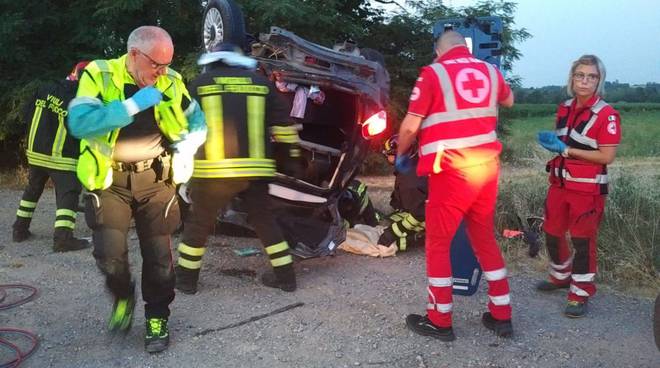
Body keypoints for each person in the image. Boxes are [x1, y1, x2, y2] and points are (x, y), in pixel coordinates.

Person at [67, 26, 207, 353]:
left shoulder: (172, 81)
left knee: (159, 257)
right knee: (109, 256)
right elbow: (80, 123)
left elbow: (197, 122)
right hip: (109, 182)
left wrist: (190, 143)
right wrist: (131, 106)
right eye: (156, 64)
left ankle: (157, 315)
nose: (162, 72)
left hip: (156, 180)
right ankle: (122, 296)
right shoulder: (100, 75)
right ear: (134, 54)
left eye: (166, 65)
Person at [396, 31, 514, 341]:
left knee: (438, 243)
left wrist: (400, 152)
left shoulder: (433, 73)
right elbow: (509, 100)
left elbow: (410, 125)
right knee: (484, 238)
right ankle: (502, 315)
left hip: (451, 172)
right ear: (466, 47)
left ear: (438, 50)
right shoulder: (490, 70)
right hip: (486, 171)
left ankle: (440, 319)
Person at [174, 43, 299, 295]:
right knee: (265, 221)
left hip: (212, 171)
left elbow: (179, 124)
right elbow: (284, 127)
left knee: (199, 223)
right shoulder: (262, 84)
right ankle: (286, 278)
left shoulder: (198, 84)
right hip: (255, 170)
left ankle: (186, 281)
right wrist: (291, 160)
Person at [535, 55, 621, 318]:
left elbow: (607, 157)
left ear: (599, 81)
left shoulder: (606, 114)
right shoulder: (565, 107)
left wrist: (568, 150)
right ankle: (561, 276)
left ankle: (580, 292)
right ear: (572, 78)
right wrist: (553, 144)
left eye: (591, 76)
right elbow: (563, 142)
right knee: (551, 232)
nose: (585, 81)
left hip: (587, 190)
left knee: (583, 242)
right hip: (559, 184)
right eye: (580, 75)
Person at [12, 62, 91, 252]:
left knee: (32, 191)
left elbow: (26, 115)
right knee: (68, 196)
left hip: (36, 153)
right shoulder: (79, 97)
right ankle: (63, 239)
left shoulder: (44, 88)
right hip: (62, 156)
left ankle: (19, 230)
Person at [377, 134, 427, 251]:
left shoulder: (410, 180)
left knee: (397, 242)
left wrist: (392, 232)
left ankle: (420, 238)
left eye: (390, 154)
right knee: (389, 220)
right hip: (424, 212)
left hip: (430, 218)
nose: (387, 157)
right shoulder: (411, 169)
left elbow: (419, 213)